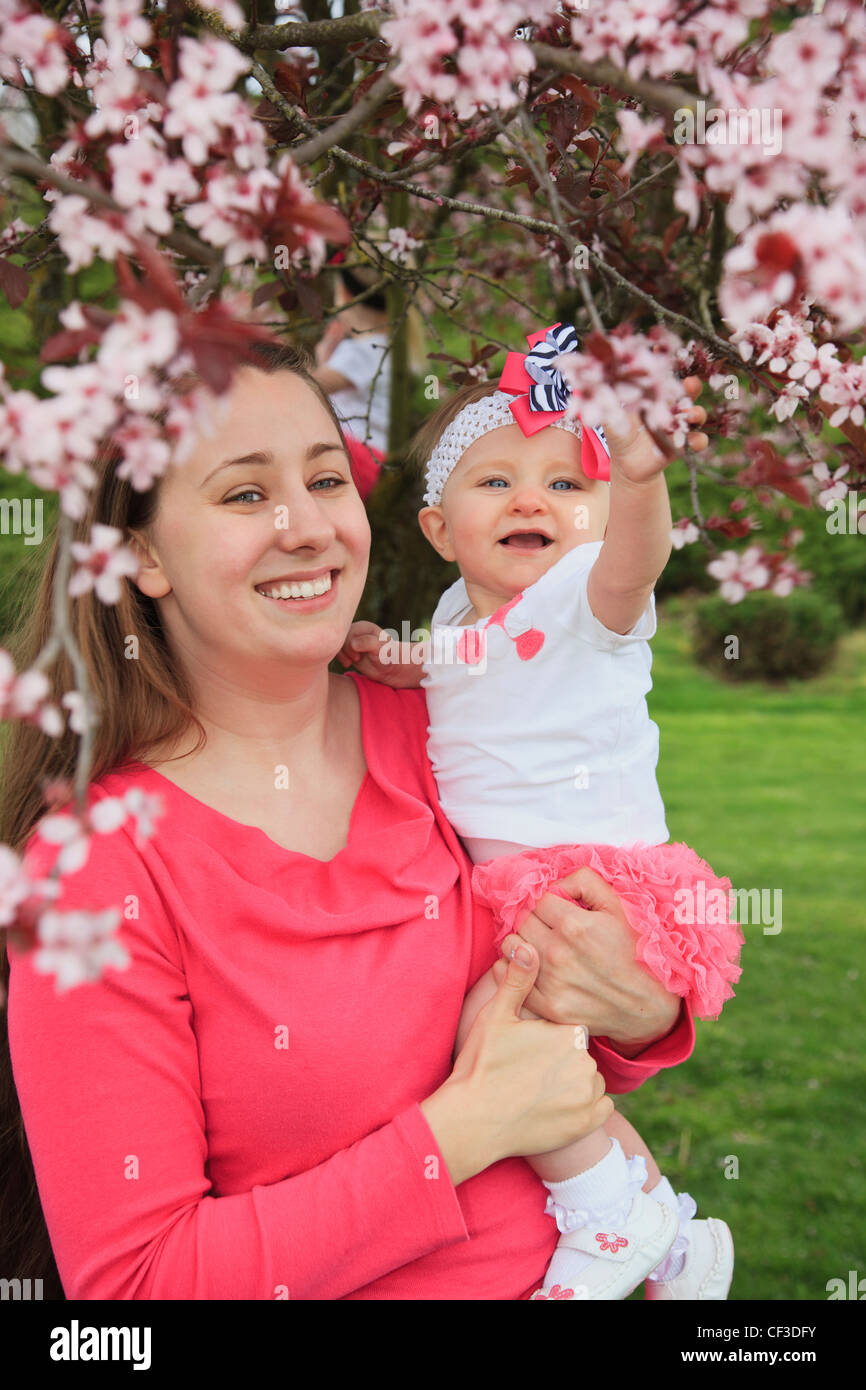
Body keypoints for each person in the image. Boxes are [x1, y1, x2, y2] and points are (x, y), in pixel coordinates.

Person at [1, 340, 695, 1301]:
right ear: (143, 554)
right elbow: (134, 1293)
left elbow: (579, 1036)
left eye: (326, 479)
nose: (307, 527)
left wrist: (644, 1012)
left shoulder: (443, 731)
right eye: (246, 494)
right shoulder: (98, 866)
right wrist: (461, 1131)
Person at [339, 322, 743, 1300]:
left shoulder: (583, 598)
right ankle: (668, 1231)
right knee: (539, 1054)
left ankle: (610, 1218)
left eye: (566, 485)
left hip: (597, 884)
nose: (532, 499)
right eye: (494, 482)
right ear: (438, 530)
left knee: (494, 1035)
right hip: (533, 887)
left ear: (597, 518)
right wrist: (389, 655)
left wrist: (639, 483)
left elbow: (633, 564)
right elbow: (453, 670)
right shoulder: (452, 618)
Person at [311, 264, 390, 501]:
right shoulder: (389, 348)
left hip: (353, 456)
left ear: (344, 296)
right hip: (376, 461)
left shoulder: (359, 351)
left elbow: (306, 389)